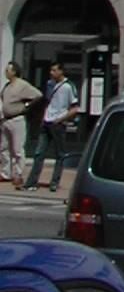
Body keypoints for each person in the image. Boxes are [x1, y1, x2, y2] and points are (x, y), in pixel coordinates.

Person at [25, 63, 80, 194]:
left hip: (58, 124)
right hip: (46, 122)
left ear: (61, 71)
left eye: (54, 70)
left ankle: (54, 182)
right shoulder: (50, 84)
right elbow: (47, 102)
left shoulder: (68, 86)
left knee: (59, 154)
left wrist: (60, 119)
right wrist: (44, 118)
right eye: (51, 70)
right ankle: (31, 182)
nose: (51, 73)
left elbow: (75, 108)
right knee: (39, 153)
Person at [0, 63, 43, 188]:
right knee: (4, 148)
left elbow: (38, 95)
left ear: (14, 72)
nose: (6, 72)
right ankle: (5, 173)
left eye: (8, 70)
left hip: (17, 119)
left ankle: (18, 174)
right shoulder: (7, 85)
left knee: (18, 149)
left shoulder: (22, 85)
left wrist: (26, 106)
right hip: (5, 120)